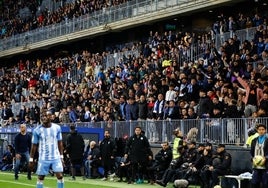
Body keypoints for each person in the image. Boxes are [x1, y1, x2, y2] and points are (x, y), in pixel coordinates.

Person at [28, 110, 65, 188]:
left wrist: (61, 157)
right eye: (42, 116)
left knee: (60, 176)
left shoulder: (57, 128)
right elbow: (34, 145)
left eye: (45, 116)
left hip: (56, 157)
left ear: (51, 117)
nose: (43, 118)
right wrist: (31, 159)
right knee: (41, 177)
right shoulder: (37, 130)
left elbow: (60, 142)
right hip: (43, 158)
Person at [250, 123, 268, 188]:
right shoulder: (254, 140)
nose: (261, 131)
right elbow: (251, 152)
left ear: (265, 130)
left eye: (263, 129)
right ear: (257, 130)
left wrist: (266, 158)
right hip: (256, 166)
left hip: (265, 166)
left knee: (265, 184)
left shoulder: (267, 140)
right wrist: (252, 159)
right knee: (254, 183)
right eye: (259, 129)